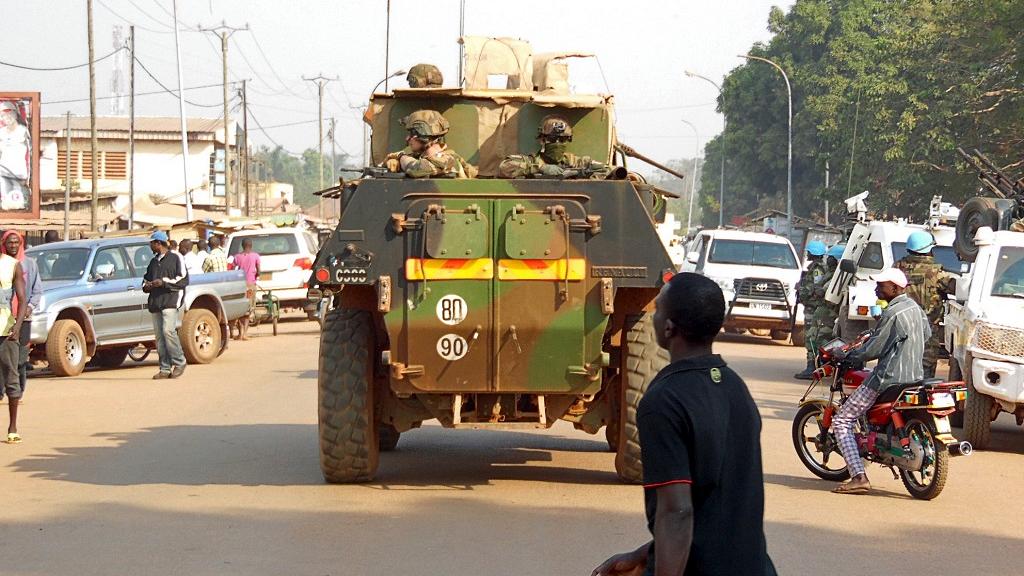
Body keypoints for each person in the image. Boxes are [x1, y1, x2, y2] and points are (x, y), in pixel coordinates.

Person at [593, 273, 776, 576]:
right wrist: (643, 554)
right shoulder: (734, 388)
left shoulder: (664, 401)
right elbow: (714, 508)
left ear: (668, 326)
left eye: (659, 307)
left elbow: (677, 512)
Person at [832, 268, 929, 494]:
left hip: (887, 378)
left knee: (842, 420)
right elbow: (926, 335)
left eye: (881, 285)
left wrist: (847, 355)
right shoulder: (915, 309)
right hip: (914, 375)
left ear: (895, 288)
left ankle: (858, 476)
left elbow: (872, 350)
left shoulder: (892, 313)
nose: (877, 288)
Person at [895, 231, 954, 378]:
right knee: (925, 366)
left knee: (899, 360)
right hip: (927, 328)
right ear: (929, 250)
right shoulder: (936, 272)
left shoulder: (897, 268)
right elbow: (954, 288)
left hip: (899, 325)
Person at [498, 115, 612, 179]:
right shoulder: (530, 161)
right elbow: (504, 168)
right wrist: (540, 168)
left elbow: (607, 170)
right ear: (542, 140)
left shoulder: (576, 163)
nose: (557, 143)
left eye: (562, 140)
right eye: (552, 139)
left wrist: (580, 177)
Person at [142, 231, 188, 380]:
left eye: (152, 243)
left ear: (159, 243)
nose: (150, 246)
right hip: (156, 302)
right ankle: (164, 368)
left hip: (170, 299)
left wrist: (163, 282)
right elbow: (145, 280)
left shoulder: (176, 258)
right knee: (160, 337)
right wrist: (148, 285)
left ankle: (180, 362)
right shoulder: (153, 262)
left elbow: (183, 279)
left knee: (168, 331)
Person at [0, 231, 39, 402]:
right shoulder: (3, 264)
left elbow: (37, 291)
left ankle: (18, 392)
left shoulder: (29, 264)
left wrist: (29, 307)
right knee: (4, 359)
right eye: (10, 243)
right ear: (4, 244)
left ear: (21, 243)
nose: (13, 246)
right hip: (4, 319)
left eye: (16, 242)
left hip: (23, 320)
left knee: (20, 359)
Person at [382, 110, 476, 179]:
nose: (407, 139)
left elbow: (416, 169)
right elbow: (386, 162)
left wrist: (400, 157)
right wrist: (394, 161)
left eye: (411, 135)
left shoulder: (448, 159)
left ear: (423, 136)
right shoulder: (421, 157)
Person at [0, 229, 27, 443]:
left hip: (6, 332)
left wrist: (17, 327)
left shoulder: (12, 265)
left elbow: (22, 299)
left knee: (11, 377)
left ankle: (12, 426)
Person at [794, 240, 828, 379]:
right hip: (813, 307)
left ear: (812, 253)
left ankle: (811, 367)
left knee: (810, 337)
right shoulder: (816, 268)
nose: (807, 254)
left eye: (809, 252)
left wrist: (802, 290)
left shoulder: (817, 270)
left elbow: (815, 287)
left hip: (813, 308)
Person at [808, 244, 844, 354]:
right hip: (823, 309)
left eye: (830, 257)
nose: (828, 259)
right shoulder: (830, 272)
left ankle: (816, 364)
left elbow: (825, 291)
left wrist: (818, 290)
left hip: (829, 311)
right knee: (813, 336)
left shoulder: (838, 275)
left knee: (819, 338)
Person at [0, 101, 31, 211]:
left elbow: (31, 149)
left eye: (9, 114)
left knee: (18, 200)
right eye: (3, 115)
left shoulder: (23, 130)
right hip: (3, 170)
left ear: (15, 114)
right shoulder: (1, 132)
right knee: (5, 200)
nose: (6, 117)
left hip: (19, 171)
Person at [231, 238, 261, 341]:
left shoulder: (237, 257)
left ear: (242, 246)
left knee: (241, 309)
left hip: (240, 286)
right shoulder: (255, 256)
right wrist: (255, 276)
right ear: (251, 245)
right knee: (248, 308)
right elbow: (259, 271)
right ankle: (245, 334)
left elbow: (232, 269)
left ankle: (240, 334)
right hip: (250, 286)